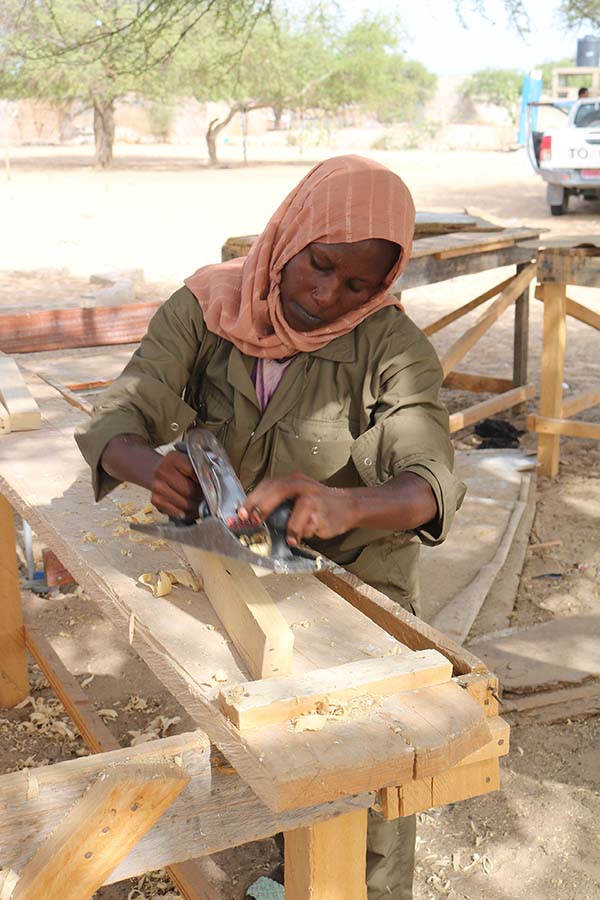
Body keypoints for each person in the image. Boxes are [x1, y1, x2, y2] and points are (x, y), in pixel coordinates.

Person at [76, 154, 465, 900]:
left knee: (366, 761)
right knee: (279, 749)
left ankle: (361, 888)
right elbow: (125, 406)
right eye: (318, 266)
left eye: (360, 284)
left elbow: (429, 476)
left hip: (356, 584)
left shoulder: (390, 347)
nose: (328, 296)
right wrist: (143, 464)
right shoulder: (206, 307)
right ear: (287, 237)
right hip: (240, 559)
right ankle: (301, 872)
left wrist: (349, 504)